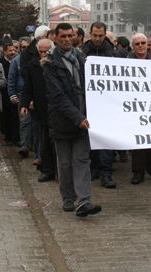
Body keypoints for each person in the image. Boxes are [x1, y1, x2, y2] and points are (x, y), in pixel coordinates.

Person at [42, 23, 101, 217]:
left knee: (82, 160)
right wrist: (77, 118)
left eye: (70, 36)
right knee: (65, 163)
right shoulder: (50, 63)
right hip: (63, 121)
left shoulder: (83, 59)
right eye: (63, 36)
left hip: (84, 120)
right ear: (56, 38)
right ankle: (68, 197)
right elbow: (58, 97)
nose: (67, 39)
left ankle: (83, 201)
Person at [81, 22, 118, 189]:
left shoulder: (115, 54)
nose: (97, 38)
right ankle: (93, 168)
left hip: (108, 104)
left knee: (105, 140)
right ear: (90, 34)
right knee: (90, 139)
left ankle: (106, 172)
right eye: (94, 35)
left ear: (105, 35)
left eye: (100, 36)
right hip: (88, 102)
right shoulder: (81, 52)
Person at [21, 38, 57, 182]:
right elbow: (27, 87)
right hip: (41, 110)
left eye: (46, 52)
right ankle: (47, 170)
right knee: (44, 143)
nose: (43, 55)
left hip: (57, 109)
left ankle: (60, 170)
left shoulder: (58, 64)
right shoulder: (33, 66)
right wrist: (24, 104)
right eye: (40, 52)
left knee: (58, 143)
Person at [128, 33, 151, 185]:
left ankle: (150, 164)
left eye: (143, 43)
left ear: (148, 45)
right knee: (138, 143)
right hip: (134, 106)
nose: (140, 46)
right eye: (137, 43)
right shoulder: (126, 62)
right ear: (133, 46)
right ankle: (138, 172)